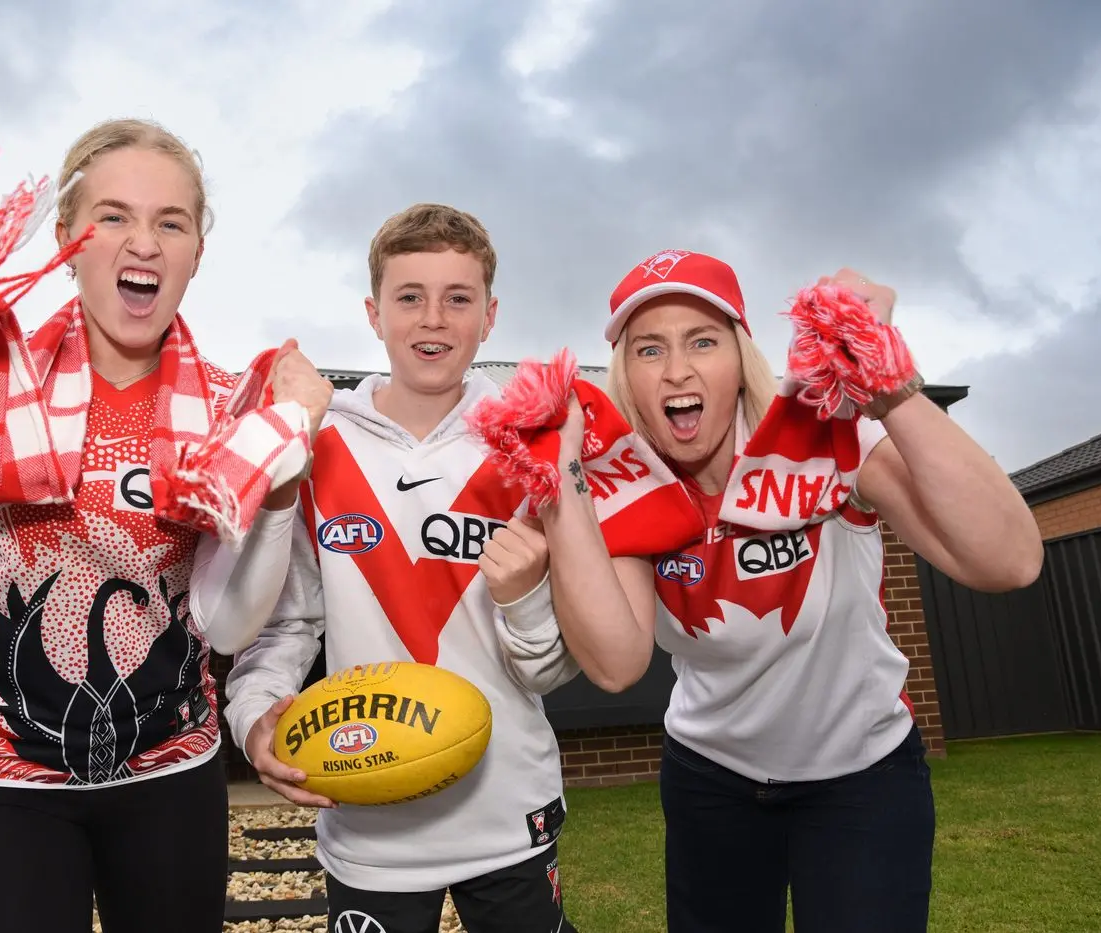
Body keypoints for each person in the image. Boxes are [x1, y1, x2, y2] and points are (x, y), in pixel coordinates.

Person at [0, 112, 333, 933]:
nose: (145, 242)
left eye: (172, 221)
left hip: (169, 773)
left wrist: (276, 482)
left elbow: (225, 622)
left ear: (199, 251)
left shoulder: (240, 410)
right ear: (66, 238)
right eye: (114, 216)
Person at [527, 250, 1043, 933]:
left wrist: (887, 382)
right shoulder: (626, 481)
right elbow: (618, 663)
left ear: (740, 356)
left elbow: (1010, 560)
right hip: (710, 777)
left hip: (860, 771)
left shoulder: (827, 435)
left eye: (702, 341)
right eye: (650, 349)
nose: (677, 369)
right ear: (627, 373)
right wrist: (560, 477)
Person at [222, 203, 582, 933]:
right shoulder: (320, 445)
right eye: (409, 296)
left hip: (509, 812)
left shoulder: (527, 446)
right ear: (373, 312)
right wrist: (255, 713)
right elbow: (283, 623)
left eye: (458, 298)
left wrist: (525, 599)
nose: (434, 319)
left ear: (490, 315)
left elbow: (548, 669)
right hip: (370, 827)